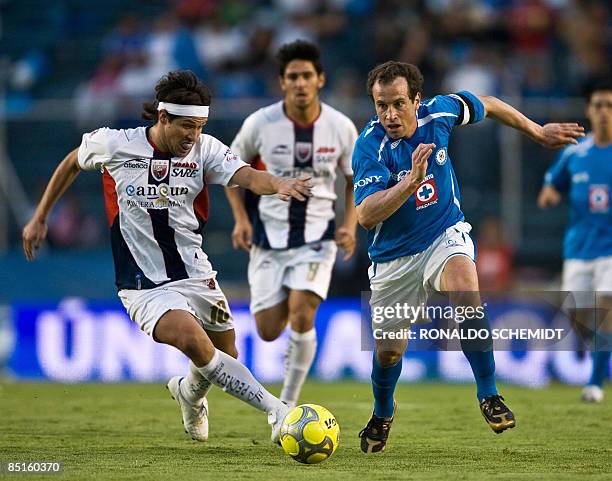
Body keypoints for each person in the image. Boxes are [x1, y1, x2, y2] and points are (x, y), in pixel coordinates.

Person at [22, 70, 313, 443]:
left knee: (226, 351)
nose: (193, 135)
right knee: (196, 343)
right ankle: (278, 411)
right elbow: (72, 162)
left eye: (200, 126)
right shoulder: (115, 144)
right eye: (186, 126)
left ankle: (189, 394)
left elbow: (247, 176)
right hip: (143, 283)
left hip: (195, 271)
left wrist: (279, 184)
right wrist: (41, 216)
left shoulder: (205, 149)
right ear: (163, 118)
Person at [352, 61, 585, 453]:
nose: (390, 114)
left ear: (416, 100)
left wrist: (535, 130)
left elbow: (490, 104)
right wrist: (409, 183)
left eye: (397, 103)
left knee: (466, 290)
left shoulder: (440, 113)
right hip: (393, 259)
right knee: (389, 350)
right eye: (381, 105)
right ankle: (382, 412)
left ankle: (489, 394)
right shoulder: (370, 146)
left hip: (444, 234)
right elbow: (365, 214)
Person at [225, 40, 358, 407]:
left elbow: (354, 181)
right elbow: (229, 171)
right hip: (269, 240)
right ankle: (287, 377)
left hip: (318, 238)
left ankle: (286, 405)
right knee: (268, 330)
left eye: (307, 76)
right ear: (282, 82)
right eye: (292, 77)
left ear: (320, 80)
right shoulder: (260, 124)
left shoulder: (341, 127)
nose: (300, 83)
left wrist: (349, 226)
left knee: (303, 313)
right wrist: (240, 219)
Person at [538, 81, 612, 403]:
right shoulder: (574, 153)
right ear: (588, 111)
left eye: (609, 106)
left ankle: (595, 384)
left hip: (610, 251)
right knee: (578, 315)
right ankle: (595, 345)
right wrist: (549, 195)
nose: (604, 112)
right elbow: (551, 186)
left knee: (606, 309)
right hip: (579, 249)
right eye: (598, 105)